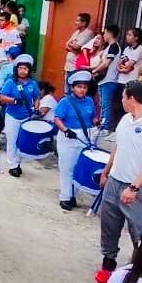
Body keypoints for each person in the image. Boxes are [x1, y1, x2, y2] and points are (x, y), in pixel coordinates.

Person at [96, 82, 142, 283]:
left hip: (138, 188)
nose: (121, 101)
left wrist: (134, 187)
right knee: (109, 225)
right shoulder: (126, 120)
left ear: (132, 98)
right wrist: (107, 171)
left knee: (140, 230)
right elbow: (117, 147)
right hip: (115, 181)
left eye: (123, 97)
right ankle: (108, 261)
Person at [53, 71, 99, 211]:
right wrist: (66, 130)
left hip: (85, 137)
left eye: (84, 87)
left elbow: (92, 118)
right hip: (68, 136)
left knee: (79, 167)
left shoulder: (90, 101)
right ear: (72, 87)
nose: (82, 90)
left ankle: (72, 195)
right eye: (79, 87)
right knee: (67, 168)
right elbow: (57, 119)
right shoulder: (65, 102)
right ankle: (65, 197)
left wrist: (97, 122)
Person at [0, 54, 39, 178]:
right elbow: (2, 97)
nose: (23, 71)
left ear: (29, 70)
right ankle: (12, 166)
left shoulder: (33, 84)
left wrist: (36, 108)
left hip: (26, 117)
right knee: (12, 141)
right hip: (12, 116)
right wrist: (14, 100)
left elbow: (36, 98)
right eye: (20, 68)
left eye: (25, 69)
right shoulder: (11, 82)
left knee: (22, 141)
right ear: (17, 69)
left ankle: (18, 162)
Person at [63, 13, 94, 81]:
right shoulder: (76, 32)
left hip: (76, 67)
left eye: (77, 21)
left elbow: (77, 46)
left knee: (74, 87)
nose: (75, 22)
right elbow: (67, 45)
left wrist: (73, 47)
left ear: (84, 23)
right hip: (68, 66)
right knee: (67, 90)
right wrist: (74, 48)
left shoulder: (88, 33)